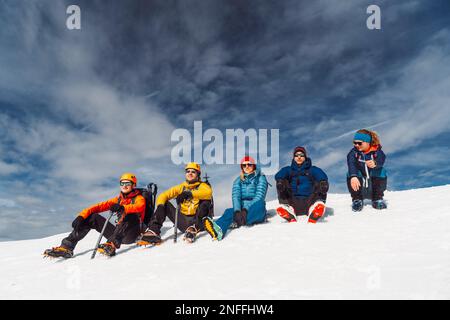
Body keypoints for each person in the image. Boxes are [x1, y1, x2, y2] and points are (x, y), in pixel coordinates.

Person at [43, 173, 145, 258]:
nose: (124, 185)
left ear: (133, 185)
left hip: (132, 234)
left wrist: (123, 208)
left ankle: (111, 245)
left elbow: (139, 207)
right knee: (93, 217)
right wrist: (81, 216)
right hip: (118, 233)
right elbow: (98, 207)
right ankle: (67, 247)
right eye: (122, 183)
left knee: (129, 215)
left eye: (127, 183)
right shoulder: (118, 200)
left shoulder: (139, 198)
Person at [140, 162, 213, 244]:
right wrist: (160, 206)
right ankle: (153, 231)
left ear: (198, 174)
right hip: (183, 221)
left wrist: (189, 194)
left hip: (199, 222)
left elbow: (208, 193)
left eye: (193, 172)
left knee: (206, 200)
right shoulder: (181, 187)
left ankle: (194, 228)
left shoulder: (203, 186)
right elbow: (163, 195)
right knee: (165, 203)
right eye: (188, 171)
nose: (190, 174)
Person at [203, 156, 268, 241]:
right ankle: (218, 229)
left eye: (249, 164)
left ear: (254, 166)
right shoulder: (238, 180)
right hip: (241, 208)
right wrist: (237, 210)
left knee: (260, 206)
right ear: (242, 167)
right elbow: (236, 196)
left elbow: (259, 196)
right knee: (229, 211)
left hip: (254, 206)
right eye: (244, 165)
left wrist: (246, 209)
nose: (247, 167)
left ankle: (237, 221)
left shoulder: (261, 178)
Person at [274, 146, 329, 223]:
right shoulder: (289, 170)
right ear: (294, 158)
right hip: (293, 201)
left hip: (310, 200)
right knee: (282, 181)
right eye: (296, 155)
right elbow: (279, 174)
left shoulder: (311, 169)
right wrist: (280, 181)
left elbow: (321, 174)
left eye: (301, 155)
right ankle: (288, 209)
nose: (299, 157)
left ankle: (315, 209)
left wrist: (323, 182)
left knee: (320, 182)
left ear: (305, 157)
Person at [347, 129, 387, 211]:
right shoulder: (353, 152)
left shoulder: (377, 151)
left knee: (381, 171)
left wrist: (375, 163)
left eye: (359, 143)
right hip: (360, 180)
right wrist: (353, 176)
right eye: (355, 143)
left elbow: (381, 158)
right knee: (350, 174)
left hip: (373, 181)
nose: (357, 145)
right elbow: (351, 163)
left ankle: (377, 199)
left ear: (368, 142)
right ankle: (357, 199)